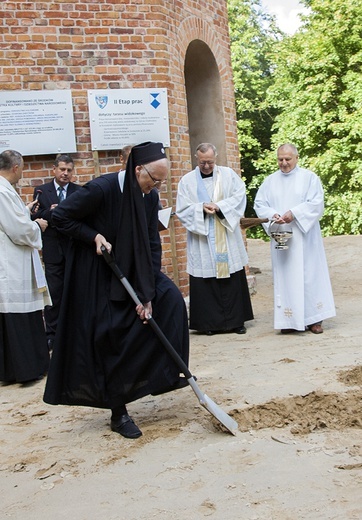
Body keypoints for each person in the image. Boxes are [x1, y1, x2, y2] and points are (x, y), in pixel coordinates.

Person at [43, 142, 190, 439]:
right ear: (137, 169)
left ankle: (163, 375)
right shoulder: (101, 189)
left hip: (134, 266)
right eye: (154, 179)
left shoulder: (149, 197)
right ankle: (118, 412)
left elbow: (151, 242)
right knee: (111, 333)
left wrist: (147, 292)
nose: (157, 186)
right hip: (97, 270)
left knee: (171, 301)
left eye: (162, 181)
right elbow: (61, 218)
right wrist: (93, 235)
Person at [254, 143, 336, 334]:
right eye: (280, 159)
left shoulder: (309, 178)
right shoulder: (270, 181)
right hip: (282, 236)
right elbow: (260, 204)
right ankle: (289, 320)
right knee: (286, 277)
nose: (284, 163)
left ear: (296, 158)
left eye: (287, 159)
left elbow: (316, 203)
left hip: (305, 236)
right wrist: (274, 215)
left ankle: (314, 319)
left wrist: (295, 213)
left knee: (309, 275)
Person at [176, 142, 254, 335]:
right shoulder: (187, 181)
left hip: (225, 234)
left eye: (210, 162)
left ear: (215, 158)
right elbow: (183, 209)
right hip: (202, 238)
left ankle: (236, 321)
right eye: (203, 162)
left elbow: (239, 197)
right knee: (206, 277)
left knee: (232, 275)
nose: (207, 166)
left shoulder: (228, 175)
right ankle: (208, 324)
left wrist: (221, 207)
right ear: (197, 159)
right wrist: (200, 208)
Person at [0, 150, 51, 384]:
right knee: (19, 316)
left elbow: (12, 218)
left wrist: (25, 211)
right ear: (17, 167)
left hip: (12, 262)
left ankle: (12, 370)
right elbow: (19, 230)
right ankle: (27, 369)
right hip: (12, 265)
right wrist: (37, 225)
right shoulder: (2, 190)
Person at [31, 154, 81, 351]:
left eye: (69, 170)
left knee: (76, 292)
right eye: (62, 169)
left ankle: (75, 332)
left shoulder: (78, 191)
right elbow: (35, 216)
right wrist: (52, 212)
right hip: (53, 251)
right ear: (54, 169)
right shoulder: (42, 191)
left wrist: (62, 211)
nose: (65, 173)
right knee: (54, 294)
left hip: (73, 249)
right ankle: (52, 334)